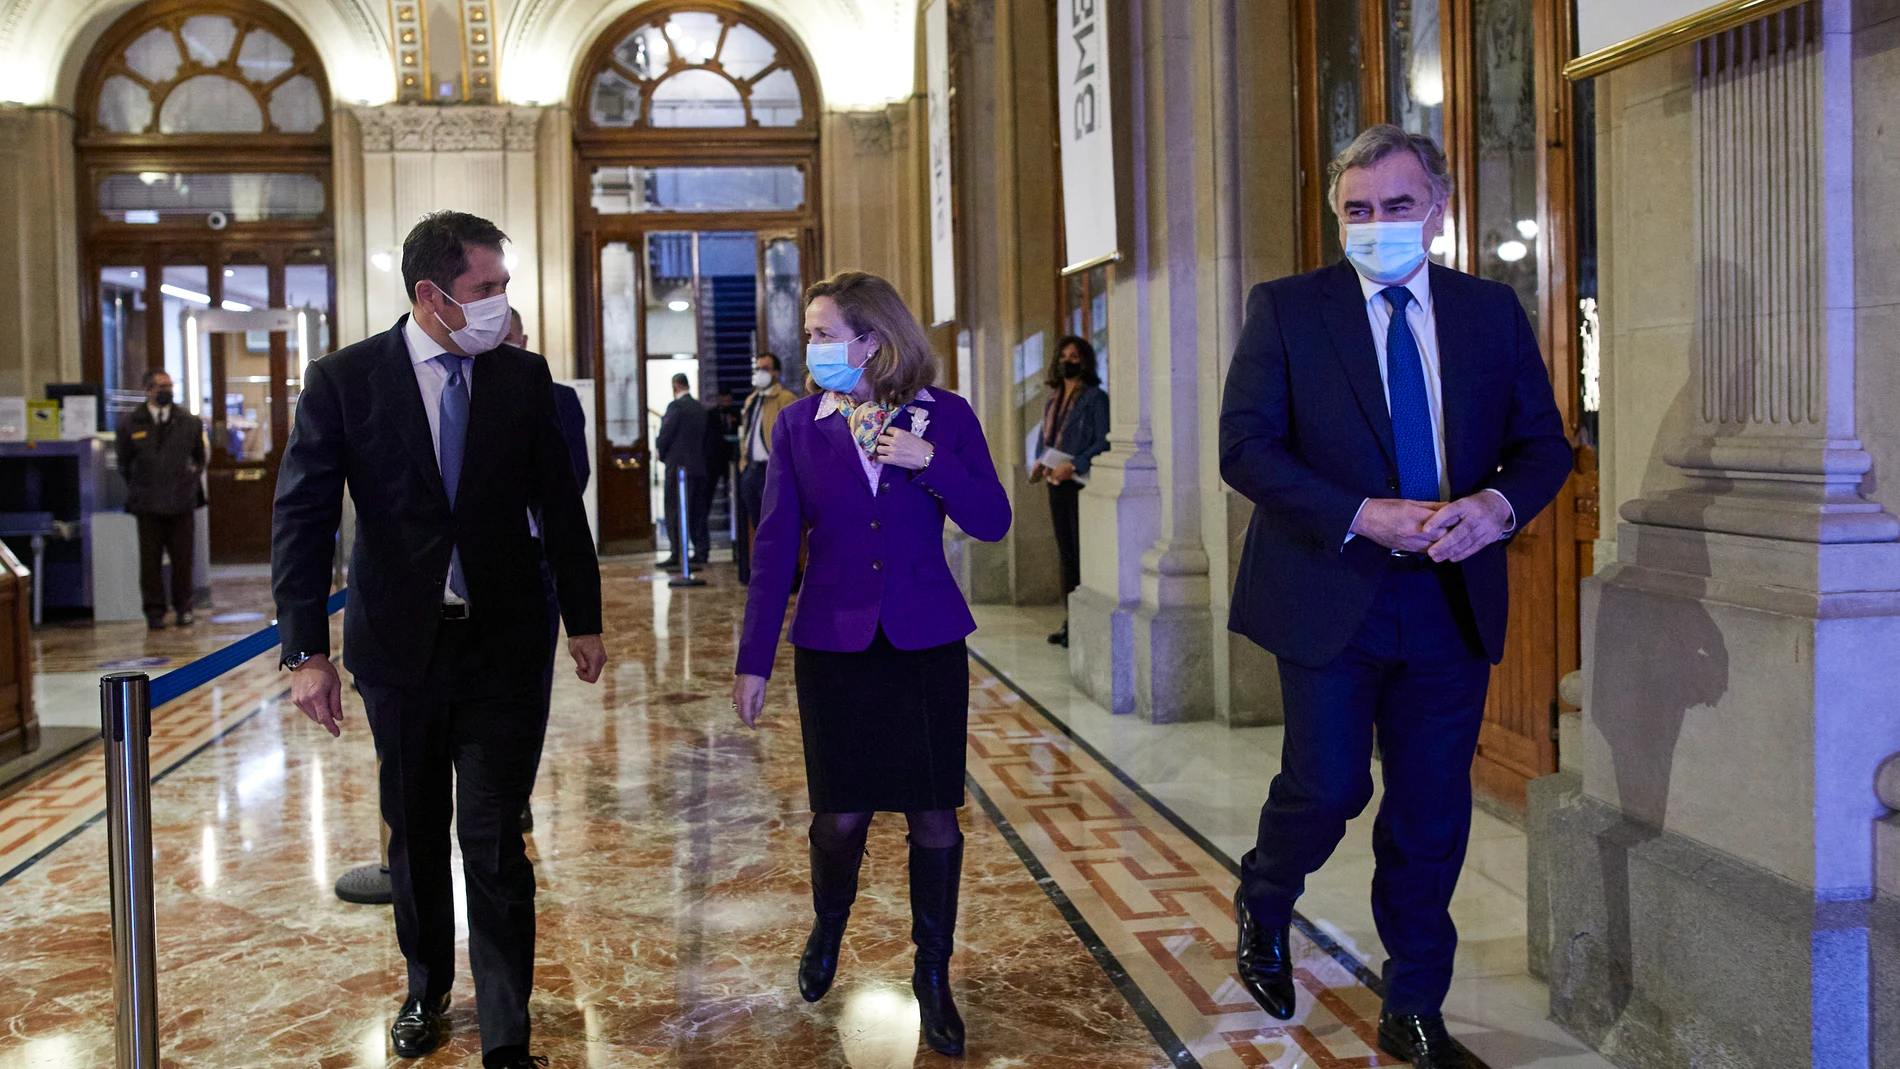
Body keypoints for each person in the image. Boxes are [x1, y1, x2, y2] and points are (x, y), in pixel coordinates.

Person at [1218, 125, 1570, 1069]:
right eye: (1358, 211)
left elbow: (1545, 445)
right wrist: (1360, 513)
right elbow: (1245, 447)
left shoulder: (1489, 313)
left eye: (1397, 206)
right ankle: (1266, 887)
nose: (1377, 225)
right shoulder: (1289, 310)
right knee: (1330, 784)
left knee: (1428, 811)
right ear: (1338, 216)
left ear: (1438, 208)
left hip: (1450, 599)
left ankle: (1414, 1002)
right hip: (1333, 589)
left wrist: (1495, 508)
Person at [272, 210, 607, 1069]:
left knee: (494, 836)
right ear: (431, 296)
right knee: (414, 830)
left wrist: (586, 617)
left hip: (502, 643)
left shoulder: (521, 379)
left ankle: (506, 1029)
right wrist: (306, 650)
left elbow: (560, 509)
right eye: (484, 288)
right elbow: (303, 516)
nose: (501, 303)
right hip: (400, 646)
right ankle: (424, 990)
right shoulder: (346, 379)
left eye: (503, 286)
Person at [731, 271, 1010, 1057]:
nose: (809, 349)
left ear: (873, 340)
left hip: (925, 642)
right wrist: (753, 659)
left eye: (822, 334)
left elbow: (991, 519)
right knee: (840, 815)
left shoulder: (944, 417)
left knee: (932, 815)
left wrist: (931, 462)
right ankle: (828, 924)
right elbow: (776, 544)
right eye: (811, 334)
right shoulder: (797, 426)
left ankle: (933, 974)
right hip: (834, 643)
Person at [505, 306, 591, 835]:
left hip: (533, 560)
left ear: (524, 339)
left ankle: (517, 790)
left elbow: (572, 476)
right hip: (461, 570)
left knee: (529, 686)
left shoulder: (559, 398)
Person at [1030, 336, 1109, 648]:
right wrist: (1040, 462)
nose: (1068, 361)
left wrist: (1075, 464)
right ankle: (1070, 620)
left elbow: (1104, 440)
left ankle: (1082, 623)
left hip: (1078, 484)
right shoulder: (1053, 398)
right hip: (1055, 484)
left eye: (1074, 355)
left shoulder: (1094, 398)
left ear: (1085, 360)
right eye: (1063, 355)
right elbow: (1046, 439)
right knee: (1065, 555)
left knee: (1079, 554)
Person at [116, 369, 206, 630]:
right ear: (148, 390)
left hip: (181, 501)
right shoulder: (131, 423)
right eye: (160, 386)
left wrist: (187, 480)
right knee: (150, 561)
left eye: (169, 385)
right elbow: (124, 464)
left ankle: (184, 608)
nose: (166, 390)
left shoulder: (188, 421)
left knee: (182, 559)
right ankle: (154, 612)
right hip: (147, 504)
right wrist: (140, 486)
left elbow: (199, 459)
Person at [734, 353, 796, 584]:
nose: (761, 373)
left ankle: (784, 574)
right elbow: (746, 433)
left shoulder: (785, 398)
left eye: (766, 368)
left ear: (776, 372)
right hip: (752, 468)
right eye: (758, 368)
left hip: (773, 470)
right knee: (757, 523)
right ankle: (763, 572)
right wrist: (743, 462)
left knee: (777, 524)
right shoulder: (752, 400)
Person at [654, 372, 709, 568]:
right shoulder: (700, 408)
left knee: (675, 510)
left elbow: (665, 435)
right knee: (697, 512)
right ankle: (701, 551)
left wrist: (660, 450)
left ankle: (677, 552)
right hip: (699, 467)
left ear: (675, 386)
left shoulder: (675, 407)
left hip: (678, 469)